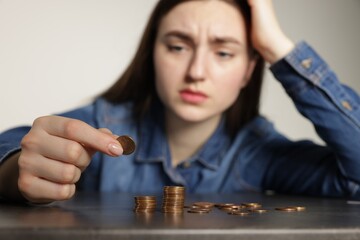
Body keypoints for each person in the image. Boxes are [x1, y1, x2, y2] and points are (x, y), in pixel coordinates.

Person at [0, 0, 359, 204]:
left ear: (250, 70)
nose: (196, 71)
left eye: (223, 52)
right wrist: (14, 171)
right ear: (151, 54)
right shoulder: (102, 123)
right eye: (177, 46)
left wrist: (278, 48)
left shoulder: (259, 151)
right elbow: (16, 147)